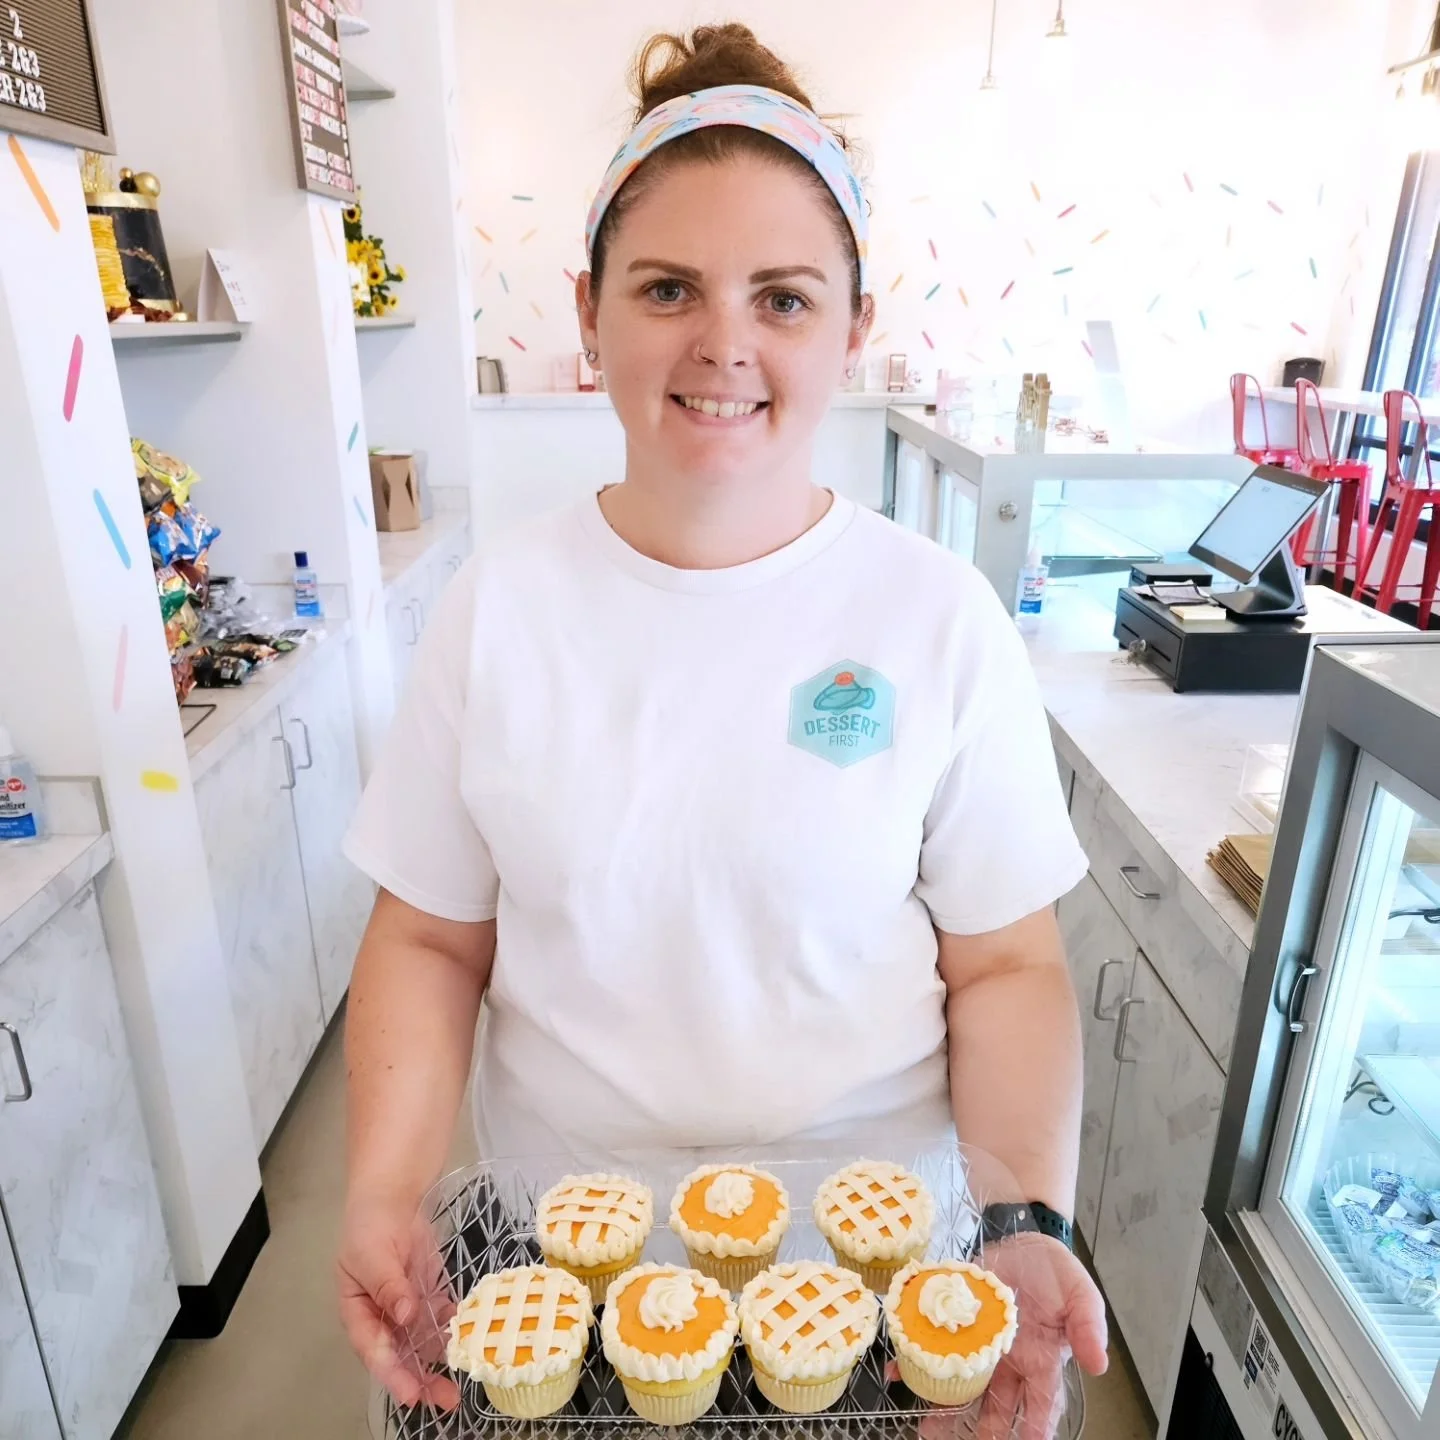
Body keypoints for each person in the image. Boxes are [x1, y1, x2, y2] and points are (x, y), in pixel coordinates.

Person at [338, 23, 1107, 1438]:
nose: (724, 344)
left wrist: (1023, 1214)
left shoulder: (935, 620)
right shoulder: (496, 612)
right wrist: (388, 1193)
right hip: (555, 1254)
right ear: (589, 310)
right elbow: (432, 937)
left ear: (855, 325)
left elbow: (1005, 964)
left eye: (786, 298)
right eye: (669, 287)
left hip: (875, 1274)